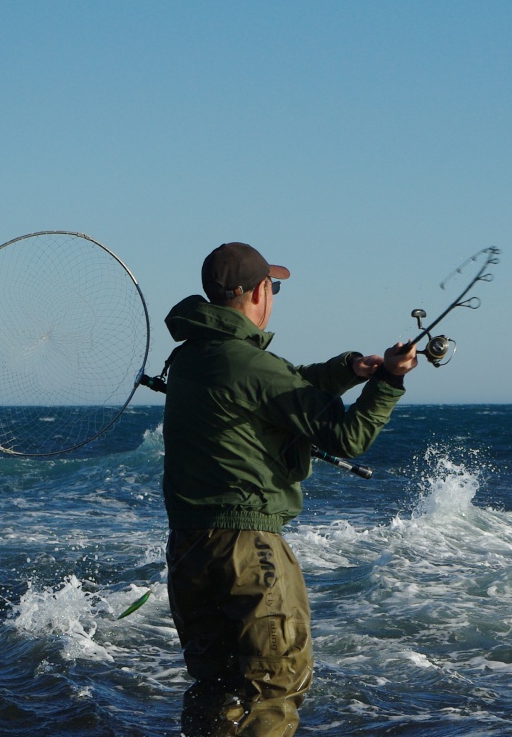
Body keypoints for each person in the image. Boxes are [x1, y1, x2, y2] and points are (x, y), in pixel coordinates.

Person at [159, 241, 416, 737]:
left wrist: (346, 370)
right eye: (272, 286)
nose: (272, 294)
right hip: (247, 550)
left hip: (189, 547)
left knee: (216, 685)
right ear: (259, 291)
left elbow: (286, 385)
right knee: (273, 688)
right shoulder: (253, 365)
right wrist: (387, 381)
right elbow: (347, 436)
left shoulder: (191, 358)